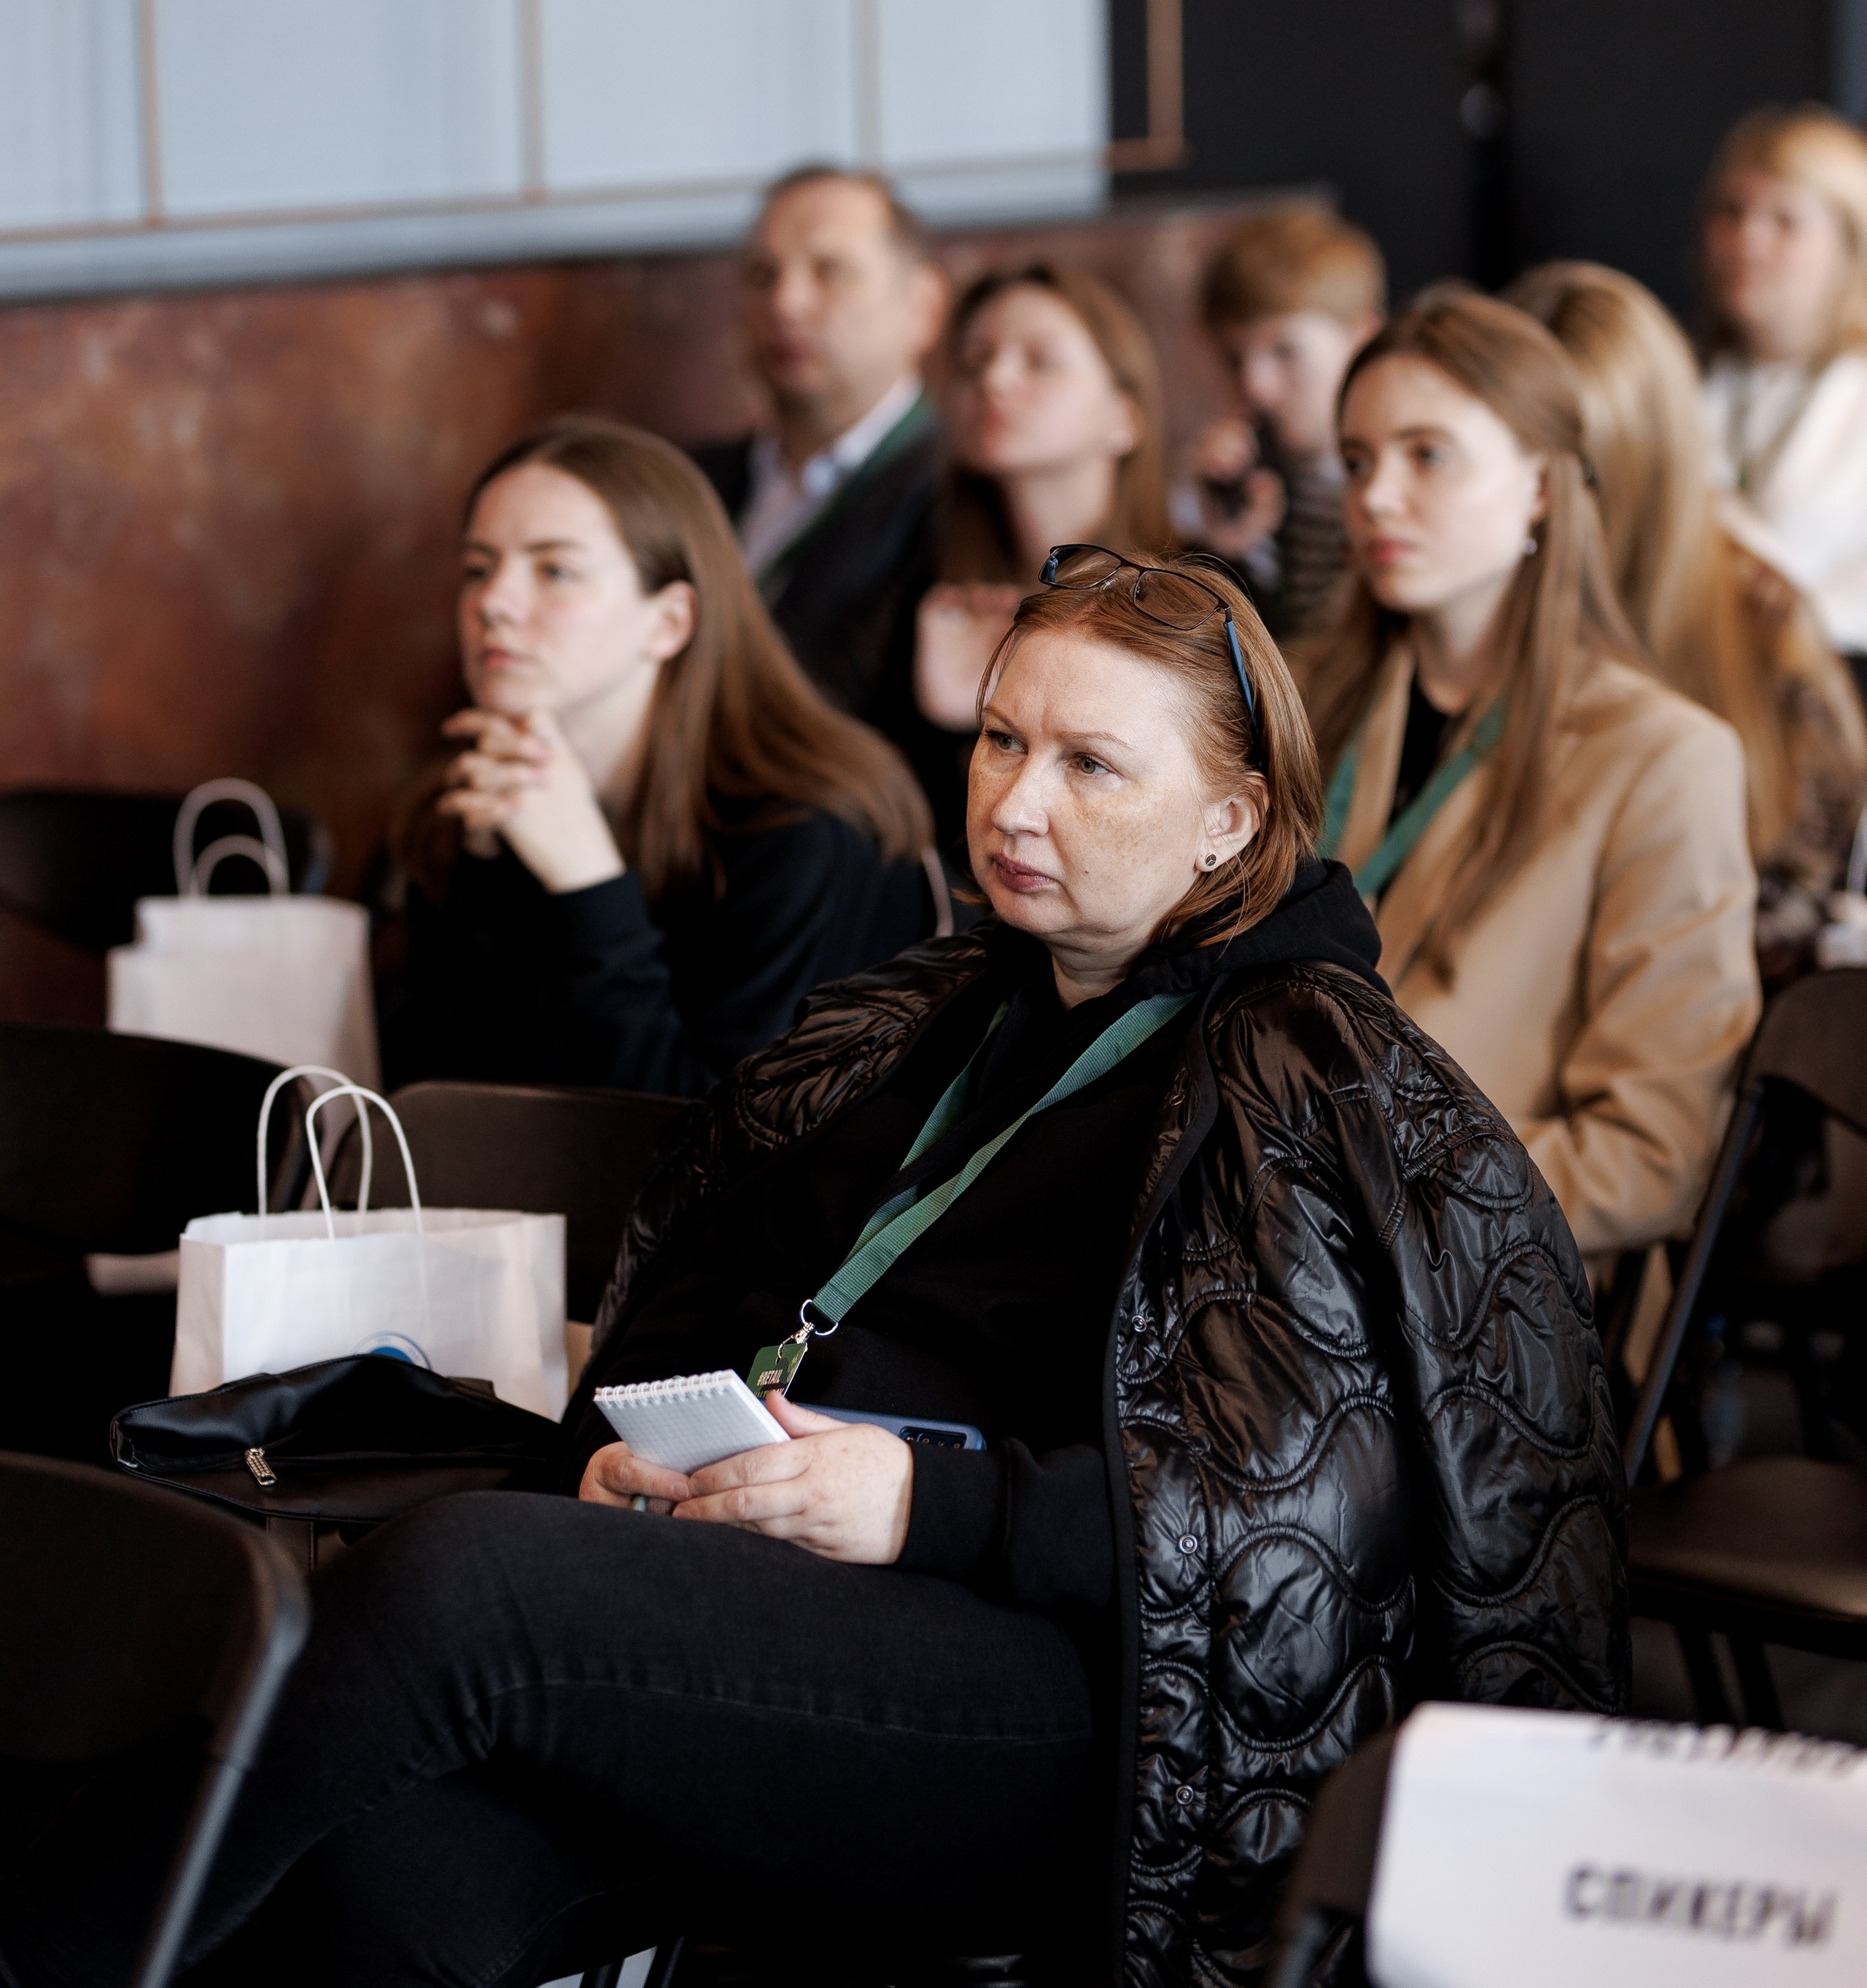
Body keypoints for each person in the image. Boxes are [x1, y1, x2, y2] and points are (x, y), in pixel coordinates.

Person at [1, 552, 1624, 1988]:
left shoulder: (1303, 1078)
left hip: (1071, 1699)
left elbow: (1295, 1516)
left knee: (453, 1586)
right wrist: (629, 1446)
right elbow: (726, 1272)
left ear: (1229, 821)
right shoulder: (937, 1005)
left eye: (1088, 766)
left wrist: (933, 1505)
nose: (1014, 803)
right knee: (396, 1869)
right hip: (762, 1592)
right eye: (999, 741)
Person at [1302, 286, 1760, 1265]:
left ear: (1544, 486)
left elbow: (1650, 1159)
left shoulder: (1661, 757)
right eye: (1356, 461)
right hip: (1266, 1249)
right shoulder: (1297, 704)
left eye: (1428, 455)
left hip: (1476, 1302)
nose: (1376, 496)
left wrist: (1378, 1192)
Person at [377, 417, 937, 1098]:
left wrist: (587, 888)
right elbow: (441, 1113)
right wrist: (488, 886)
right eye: (478, 568)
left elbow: (702, 1155)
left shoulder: (802, 828)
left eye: (555, 569)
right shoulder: (468, 799)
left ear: (670, 621)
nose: (493, 602)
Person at [1510, 260, 1867, 987]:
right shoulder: (1464, 612)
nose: (1526, 513)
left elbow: (1799, 913)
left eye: (1561, 480)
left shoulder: (1763, 626)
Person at [693, 165, 951, 745]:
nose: (786, 303)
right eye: (762, 275)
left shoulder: (961, 495)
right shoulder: (694, 483)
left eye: (829, 271)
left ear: (923, 306)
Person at [911, 265, 1173, 836]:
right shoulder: (928, 587)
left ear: (1126, 415)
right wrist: (952, 725)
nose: (995, 380)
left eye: (1040, 360)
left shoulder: (1196, 601)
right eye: (975, 362)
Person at [1698, 104, 1867, 707]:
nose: (1749, 241)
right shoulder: (1689, 384)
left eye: (1785, 222)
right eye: (1732, 213)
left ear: (1851, 244)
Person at [1184, 201, 1386, 639]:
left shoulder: (1390, 493)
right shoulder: (1256, 484)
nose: (1255, 385)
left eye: (1285, 352)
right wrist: (1224, 551)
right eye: (1235, 359)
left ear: (1362, 339)